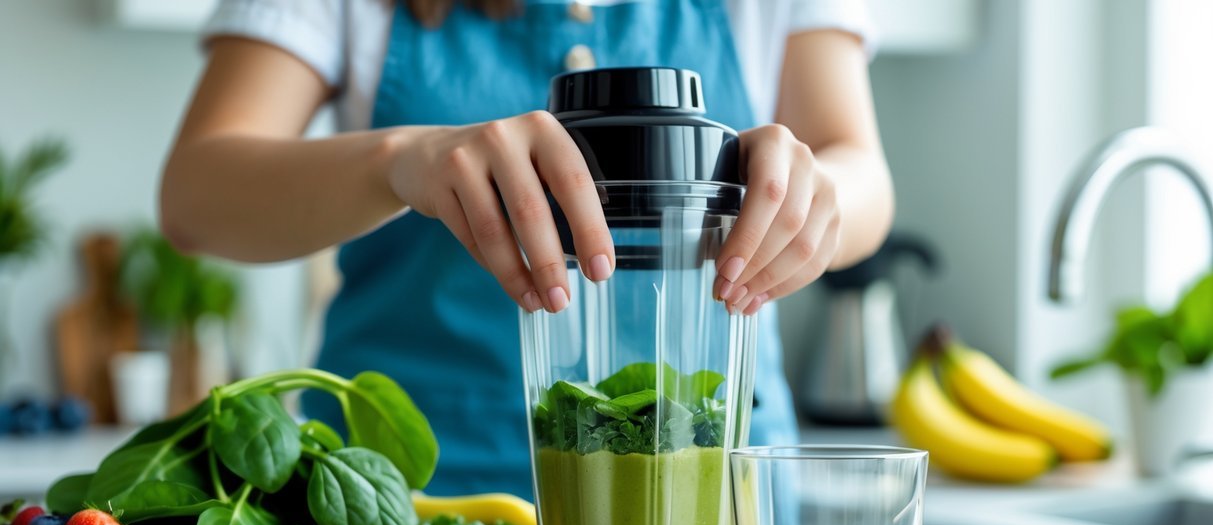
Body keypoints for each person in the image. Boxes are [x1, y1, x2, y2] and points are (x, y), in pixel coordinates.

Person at [161, 0, 893, 497]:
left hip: (713, 489)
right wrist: (403, 160)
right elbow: (196, 196)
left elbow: (859, 170)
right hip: (412, 500)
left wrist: (814, 193)